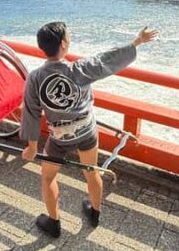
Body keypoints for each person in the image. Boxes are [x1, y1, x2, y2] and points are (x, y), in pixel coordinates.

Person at [20, 22, 159, 238]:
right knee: (92, 170)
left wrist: (31, 147)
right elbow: (107, 59)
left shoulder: (36, 77)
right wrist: (137, 42)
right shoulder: (80, 68)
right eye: (69, 36)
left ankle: (54, 222)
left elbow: (31, 113)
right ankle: (94, 213)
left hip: (59, 138)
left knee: (47, 177)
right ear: (64, 44)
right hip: (86, 132)